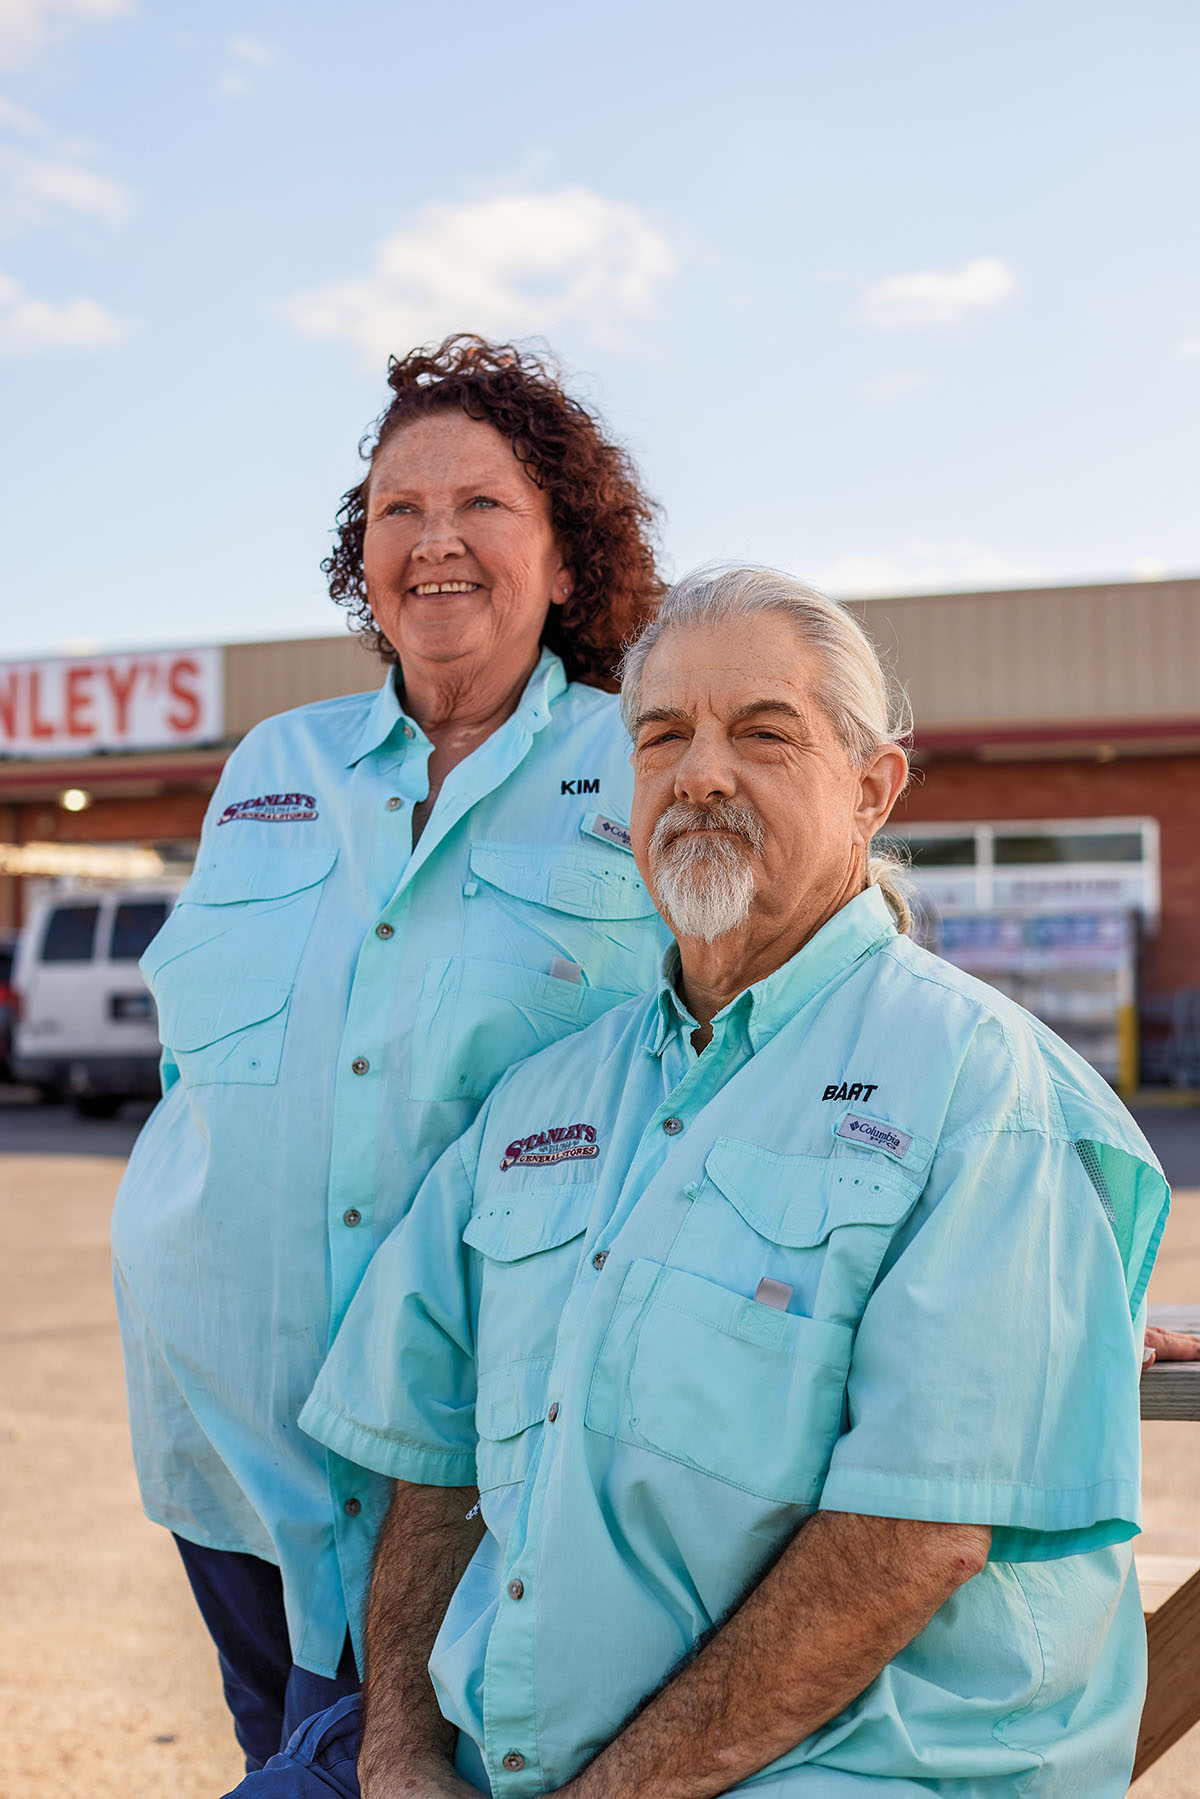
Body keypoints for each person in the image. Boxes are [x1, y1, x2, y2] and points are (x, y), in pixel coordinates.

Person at [237, 565, 1170, 1798]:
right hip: (507, 1761)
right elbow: (434, 1454)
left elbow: (913, 1535)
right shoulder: (542, 1101)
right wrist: (403, 1752)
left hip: (846, 1767)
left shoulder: (981, 1090)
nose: (701, 773)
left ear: (874, 787)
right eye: (662, 735)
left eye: (764, 733)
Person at [110, 336, 670, 1771]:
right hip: (236, 1445)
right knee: (293, 1750)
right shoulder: (271, 770)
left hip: (490, 1462)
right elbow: (202, 1071)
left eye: (480, 503)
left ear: (563, 561)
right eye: (393, 509)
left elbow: (797, 1039)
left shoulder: (649, 763)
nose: (432, 540)